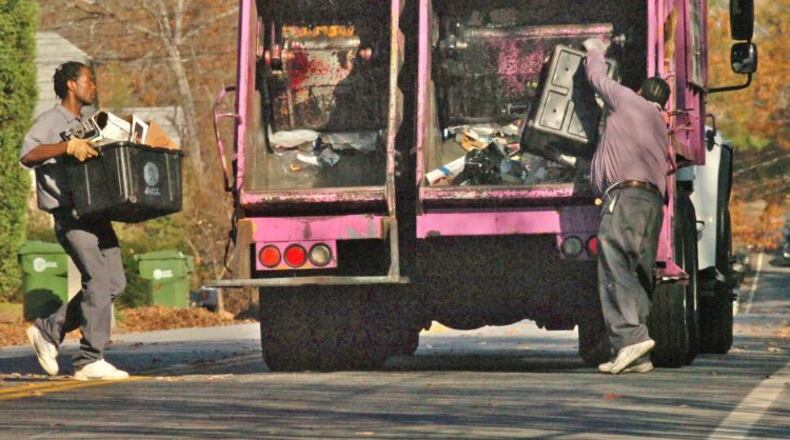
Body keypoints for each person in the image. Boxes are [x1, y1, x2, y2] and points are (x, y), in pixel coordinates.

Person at [21, 61, 129, 381]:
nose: (92, 87)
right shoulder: (52, 120)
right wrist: (67, 145)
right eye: (88, 81)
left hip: (96, 212)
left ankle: (47, 331)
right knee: (96, 279)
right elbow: (28, 154)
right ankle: (89, 359)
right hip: (70, 215)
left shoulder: (88, 122)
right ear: (71, 84)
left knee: (114, 283)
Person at [582, 38, 671, 374]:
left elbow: (597, 79)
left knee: (614, 265)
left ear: (639, 90)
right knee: (637, 271)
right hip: (651, 202)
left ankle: (629, 339)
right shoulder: (660, 125)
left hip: (626, 197)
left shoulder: (628, 101)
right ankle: (639, 355)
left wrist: (594, 50)